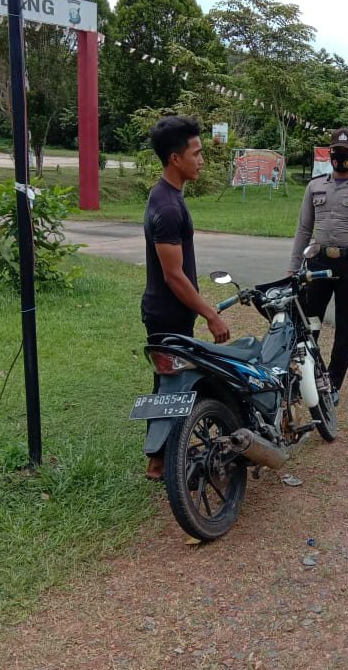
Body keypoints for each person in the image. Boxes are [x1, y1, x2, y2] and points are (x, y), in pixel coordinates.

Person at [141, 115, 230, 480]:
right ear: (175, 158)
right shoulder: (167, 207)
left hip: (170, 310)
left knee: (170, 382)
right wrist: (211, 314)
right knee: (172, 384)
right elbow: (173, 275)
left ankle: (162, 457)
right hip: (166, 312)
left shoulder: (167, 195)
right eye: (195, 153)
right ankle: (159, 460)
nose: (201, 159)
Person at [288, 128, 348, 405]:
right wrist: (293, 268)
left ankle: (332, 385)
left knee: (345, 328)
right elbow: (303, 229)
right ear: (329, 155)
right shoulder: (315, 186)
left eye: (346, 154)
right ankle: (305, 380)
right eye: (336, 153)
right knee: (309, 325)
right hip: (317, 262)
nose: (340, 158)